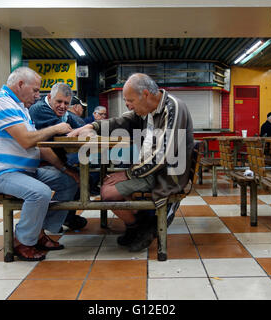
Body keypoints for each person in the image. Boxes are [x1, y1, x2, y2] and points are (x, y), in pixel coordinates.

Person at [69, 73, 194, 252]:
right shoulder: (146, 111)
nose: (128, 105)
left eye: (130, 100)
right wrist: (92, 126)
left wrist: (127, 174)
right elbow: (123, 120)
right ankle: (140, 224)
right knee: (108, 184)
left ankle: (142, 226)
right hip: (150, 170)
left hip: (167, 174)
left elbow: (163, 156)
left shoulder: (172, 108)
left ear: (145, 94)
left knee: (108, 192)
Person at [0, 67, 79, 261]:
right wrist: (55, 128)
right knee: (39, 192)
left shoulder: (21, 108)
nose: (37, 95)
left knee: (69, 182)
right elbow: (26, 140)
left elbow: (38, 146)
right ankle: (22, 242)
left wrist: (66, 169)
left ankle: (38, 231)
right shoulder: (0, 101)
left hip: (26, 171)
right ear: (20, 84)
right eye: (35, 90)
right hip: (2, 173)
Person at [29, 83, 88, 231]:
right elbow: (65, 132)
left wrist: (82, 129)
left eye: (66, 103)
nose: (62, 106)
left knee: (81, 175)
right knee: (75, 177)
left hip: (56, 160)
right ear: (49, 97)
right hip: (41, 162)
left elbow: (80, 125)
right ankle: (54, 222)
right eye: (59, 102)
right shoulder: (39, 109)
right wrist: (77, 130)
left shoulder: (64, 114)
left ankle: (67, 217)